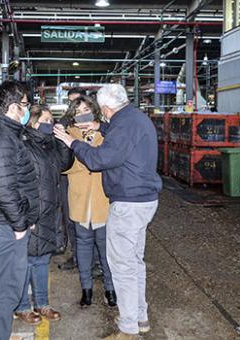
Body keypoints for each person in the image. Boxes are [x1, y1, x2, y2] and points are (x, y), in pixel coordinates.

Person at [53, 84, 162, 340]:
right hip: (144, 201)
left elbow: (100, 159)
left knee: (122, 268)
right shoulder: (135, 118)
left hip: (128, 203)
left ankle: (128, 330)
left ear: (105, 109)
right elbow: (119, 139)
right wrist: (98, 128)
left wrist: (72, 142)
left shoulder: (123, 125)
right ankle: (139, 318)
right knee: (134, 263)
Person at [0, 81, 39, 340]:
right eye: (25, 105)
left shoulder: (0, 131)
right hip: (5, 226)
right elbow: (4, 189)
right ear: (13, 107)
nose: (28, 109)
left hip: (1, 221)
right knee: (6, 290)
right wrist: (20, 224)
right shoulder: (0, 137)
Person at [14, 105, 74, 325]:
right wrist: (23, 215)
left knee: (41, 260)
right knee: (25, 262)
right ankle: (22, 306)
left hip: (49, 212)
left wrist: (62, 140)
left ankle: (42, 303)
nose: (51, 123)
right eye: (47, 119)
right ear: (34, 122)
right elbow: (18, 184)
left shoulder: (49, 145)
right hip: (32, 214)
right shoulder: (24, 145)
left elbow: (65, 164)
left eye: (52, 119)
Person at [63, 95, 116, 308]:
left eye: (86, 108)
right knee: (83, 247)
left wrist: (99, 130)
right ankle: (86, 289)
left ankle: (110, 289)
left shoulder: (107, 132)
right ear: (72, 115)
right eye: (77, 110)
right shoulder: (68, 134)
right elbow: (64, 166)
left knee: (106, 249)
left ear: (93, 110)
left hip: (103, 199)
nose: (82, 113)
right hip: (80, 199)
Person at [57, 87, 87, 271]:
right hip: (69, 177)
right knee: (70, 218)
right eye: (71, 102)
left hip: (91, 178)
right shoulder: (64, 122)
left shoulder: (96, 123)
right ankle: (77, 256)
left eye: (78, 101)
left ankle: (94, 260)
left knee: (91, 220)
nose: (74, 105)